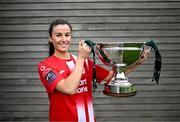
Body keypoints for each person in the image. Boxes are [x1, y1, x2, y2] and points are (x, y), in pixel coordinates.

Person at [38, 19, 149, 122]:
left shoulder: (83, 61)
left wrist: (137, 62)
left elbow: (111, 77)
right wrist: (81, 58)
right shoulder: (45, 66)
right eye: (58, 35)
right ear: (50, 38)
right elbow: (69, 88)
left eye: (67, 35)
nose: (64, 39)